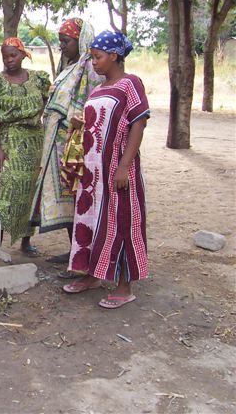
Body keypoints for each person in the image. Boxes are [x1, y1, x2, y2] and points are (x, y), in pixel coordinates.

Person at [62, 30, 149, 309]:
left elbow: (139, 122)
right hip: (92, 174)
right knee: (91, 221)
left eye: (98, 57)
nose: (94, 62)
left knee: (122, 221)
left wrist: (124, 166)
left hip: (117, 170)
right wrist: (80, 121)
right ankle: (92, 275)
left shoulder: (130, 84)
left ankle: (124, 286)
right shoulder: (98, 90)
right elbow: (96, 124)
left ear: (114, 56)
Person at [30, 18, 104, 264]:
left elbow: (91, 104)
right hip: (59, 145)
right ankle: (75, 251)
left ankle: (84, 255)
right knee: (68, 201)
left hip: (75, 146)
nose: (62, 46)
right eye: (60, 41)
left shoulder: (90, 67)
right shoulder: (70, 66)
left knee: (78, 197)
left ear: (80, 40)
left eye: (66, 41)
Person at [0, 37, 50, 254]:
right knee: (6, 194)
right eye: (5, 56)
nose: (9, 60)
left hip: (35, 142)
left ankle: (26, 242)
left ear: (22, 54)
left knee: (30, 194)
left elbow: (46, 103)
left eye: (13, 55)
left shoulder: (38, 79)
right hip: (10, 141)